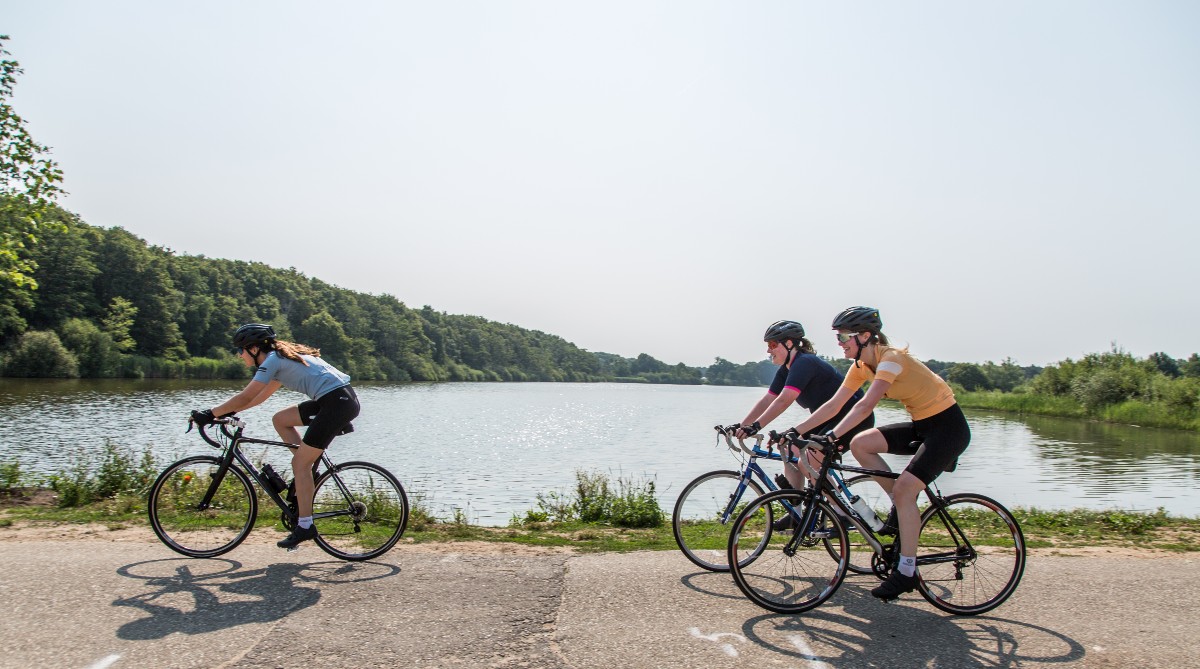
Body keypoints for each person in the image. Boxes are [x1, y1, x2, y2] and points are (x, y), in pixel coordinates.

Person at [793, 306, 971, 601]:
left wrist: (830, 436)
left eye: (844, 337)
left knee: (905, 489)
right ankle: (901, 506)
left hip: (948, 429)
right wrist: (796, 431)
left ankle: (906, 571)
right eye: (838, 337)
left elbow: (864, 406)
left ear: (865, 336)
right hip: (922, 425)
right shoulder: (861, 366)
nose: (840, 343)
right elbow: (835, 405)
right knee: (860, 444)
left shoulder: (891, 359)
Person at [189, 323, 360, 550]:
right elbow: (257, 398)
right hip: (337, 400)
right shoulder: (279, 358)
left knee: (299, 464)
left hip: (336, 404)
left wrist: (210, 414)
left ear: (253, 349)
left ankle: (305, 526)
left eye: (240, 350)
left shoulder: (273, 360)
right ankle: (308, 470)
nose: (239, 355)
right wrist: (226, 412)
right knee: (281, 420)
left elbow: (246, 396)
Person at [735, 320, 874, 526]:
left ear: (789, 343)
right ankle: (796, 515)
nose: (768, 350)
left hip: (851, 419)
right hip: (827, 419)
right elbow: (769, 399)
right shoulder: (787, 369)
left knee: (809, 461)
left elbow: (784, 400)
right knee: (789, 447)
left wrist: (755, 427)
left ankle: (843, 515)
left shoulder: (804, 363)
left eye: (772, 344)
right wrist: (742, 426)